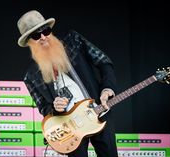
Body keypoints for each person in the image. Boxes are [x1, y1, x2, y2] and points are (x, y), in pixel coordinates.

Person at [17, 10, 118, 157]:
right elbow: (43, 108)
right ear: (29, 42)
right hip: (70, 129)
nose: (44, 37)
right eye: (36, 35)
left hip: (98, 112)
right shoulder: (30, 76)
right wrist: (54, 108)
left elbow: (104, 61)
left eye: (46, 31)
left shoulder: (74, 41)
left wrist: (107, 88)